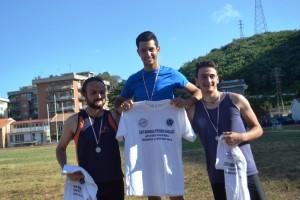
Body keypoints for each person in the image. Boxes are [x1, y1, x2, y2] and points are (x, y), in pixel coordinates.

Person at [114, 31, 202, 200]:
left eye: (151, 49)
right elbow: (118, 102)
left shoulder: (172, 74)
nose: (148, 54)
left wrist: (188, 102)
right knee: (152, 187)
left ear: (158, 49)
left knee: (174, 189)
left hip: (167, 138)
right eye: (143, 50)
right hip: (144, 141)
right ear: (138, 52)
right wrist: (122, 107)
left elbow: (197, 91)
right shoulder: (133, 79)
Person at [186, 61, 266, 200]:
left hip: (244, 168)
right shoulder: (192, 110)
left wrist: (241, 137)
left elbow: (258, 129)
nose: (208, 80)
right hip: (217, 173)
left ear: (218, 78)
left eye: (212, 76)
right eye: (203, 77)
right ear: (196, 80)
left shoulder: (236, 99)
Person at [56, 76, 124, 200]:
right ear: (84, 95)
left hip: (114, 182)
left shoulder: (115, 117)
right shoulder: (74, 121)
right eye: (93, 93)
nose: (98, 96)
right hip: (87, 182)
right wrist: (65, 169)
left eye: (102, 92)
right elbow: (60, 148)